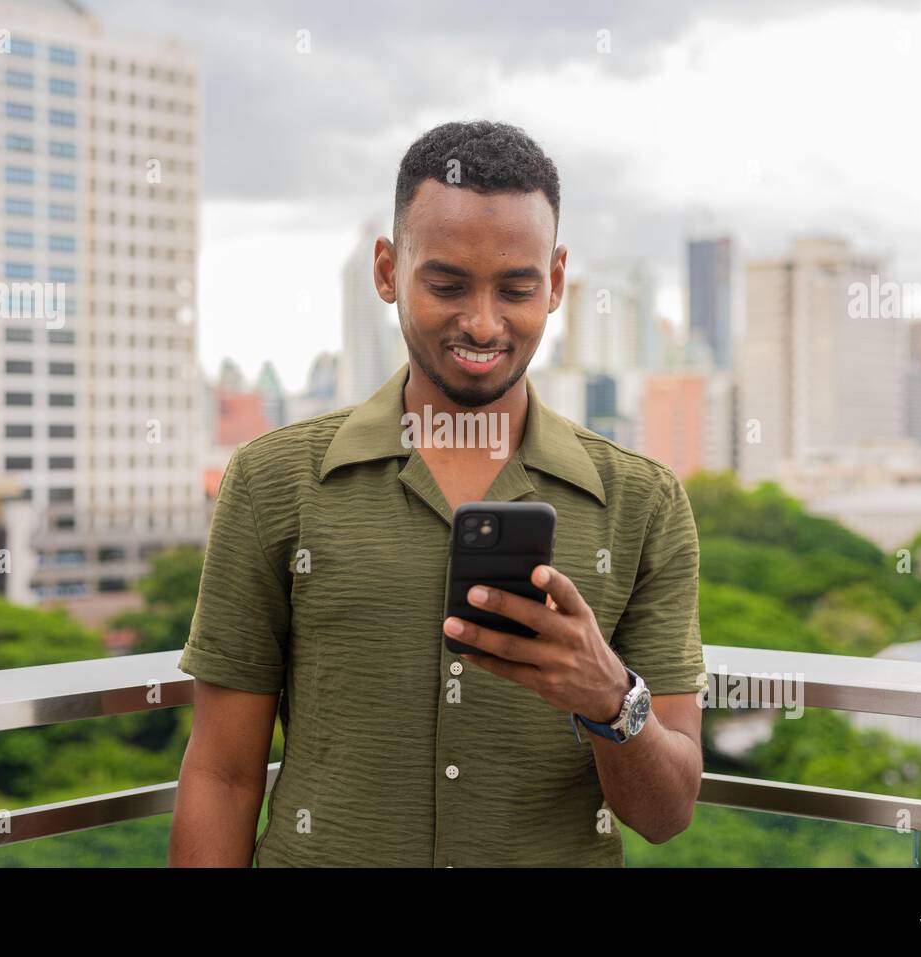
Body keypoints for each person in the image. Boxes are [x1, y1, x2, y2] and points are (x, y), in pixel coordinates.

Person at [169, 120, 704, 867]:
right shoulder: (272, 481)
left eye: (516, 288)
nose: (482, 323)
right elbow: (223, 776)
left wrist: (611, 697)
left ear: (554, 282)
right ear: (387, 271)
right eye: (446, 284)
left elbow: (667, 812)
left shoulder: (643, 503)